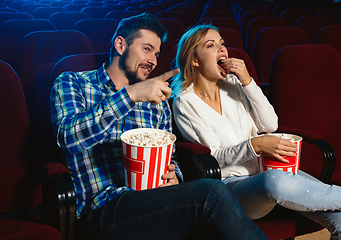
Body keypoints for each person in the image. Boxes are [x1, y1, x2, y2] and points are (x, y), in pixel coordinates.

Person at [50, 13, 268, 240]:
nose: (153, 60)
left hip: (155, 202)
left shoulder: (157, 102)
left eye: (156, 54)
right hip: (104, 208)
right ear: (120, 44)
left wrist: (176, 177)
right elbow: (69, 137)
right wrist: (130, 95)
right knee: (211, 193)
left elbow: (169, 159)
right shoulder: (73, 82)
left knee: (213, 221)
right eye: (146, 49)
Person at [171, 23, 341, 240]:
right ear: (195, 60)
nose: (222, 49)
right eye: (211, 45)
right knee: (275, 181)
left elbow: (270, 125)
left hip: (271, 171)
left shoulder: (234, 83)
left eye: (222, 44)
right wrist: (256, 145)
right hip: (232, 188)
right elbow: (213, 158)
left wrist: (248, 81)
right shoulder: (185, 102)